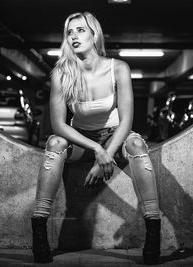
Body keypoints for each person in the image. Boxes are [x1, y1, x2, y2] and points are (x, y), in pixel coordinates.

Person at [31, 12, 161, 265]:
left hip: (115, 135)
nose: (74, 36)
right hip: (81, 140)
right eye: (69, 32)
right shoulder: (62, 73)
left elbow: (126, 121)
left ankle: (153, 228)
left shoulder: (118, 68)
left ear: (94, 34)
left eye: (80, 30)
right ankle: (38, 225)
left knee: (136, 145)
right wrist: (95, 150)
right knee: (54, 144)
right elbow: (58, 124)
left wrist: (107, 152)